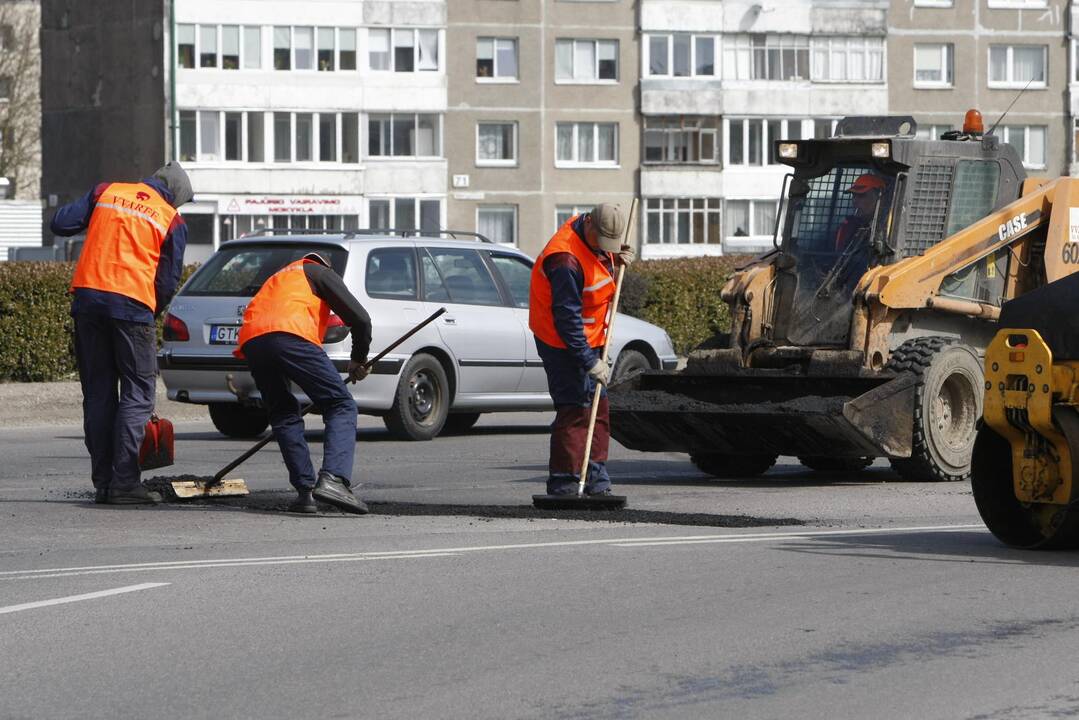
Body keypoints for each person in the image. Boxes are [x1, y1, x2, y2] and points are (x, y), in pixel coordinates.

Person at [52, 162, 193, 505]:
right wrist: (151, 312)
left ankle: (103, 482)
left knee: (99, 393)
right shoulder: (170, 218)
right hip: (132, 306)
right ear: (174, 195)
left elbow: (60, 224)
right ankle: (125, 482)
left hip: (87, 301)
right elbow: (166, 280)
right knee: (138, 392)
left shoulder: (107, 192)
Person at [235, 252, 373, 515]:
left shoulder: (281, 277)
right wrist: (358, 359)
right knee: (340, 404)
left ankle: (306, 493)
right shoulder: (319, 272)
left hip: (254, 341)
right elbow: (361, 319)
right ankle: (334, 479)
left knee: (284, 413)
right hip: (291, 335)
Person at [528, 204, 635, 497]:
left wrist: (616, 259)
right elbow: (567, 320)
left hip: (592, 337)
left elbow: (598, 268)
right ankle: (564, 483)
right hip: (561, 341)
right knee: (575, 408)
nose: (605, 249)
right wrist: (588, 360)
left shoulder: (592, 239)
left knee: (598, 408)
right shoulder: (564, 260)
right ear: (590, 226)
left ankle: (596, 480)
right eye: (603, 243)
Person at [835, 173, 886, 253]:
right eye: (854, 195)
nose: (855, 201)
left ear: (880, 198)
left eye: (861, 195)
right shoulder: (846, 228)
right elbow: (836, 259)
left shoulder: (891, 229)